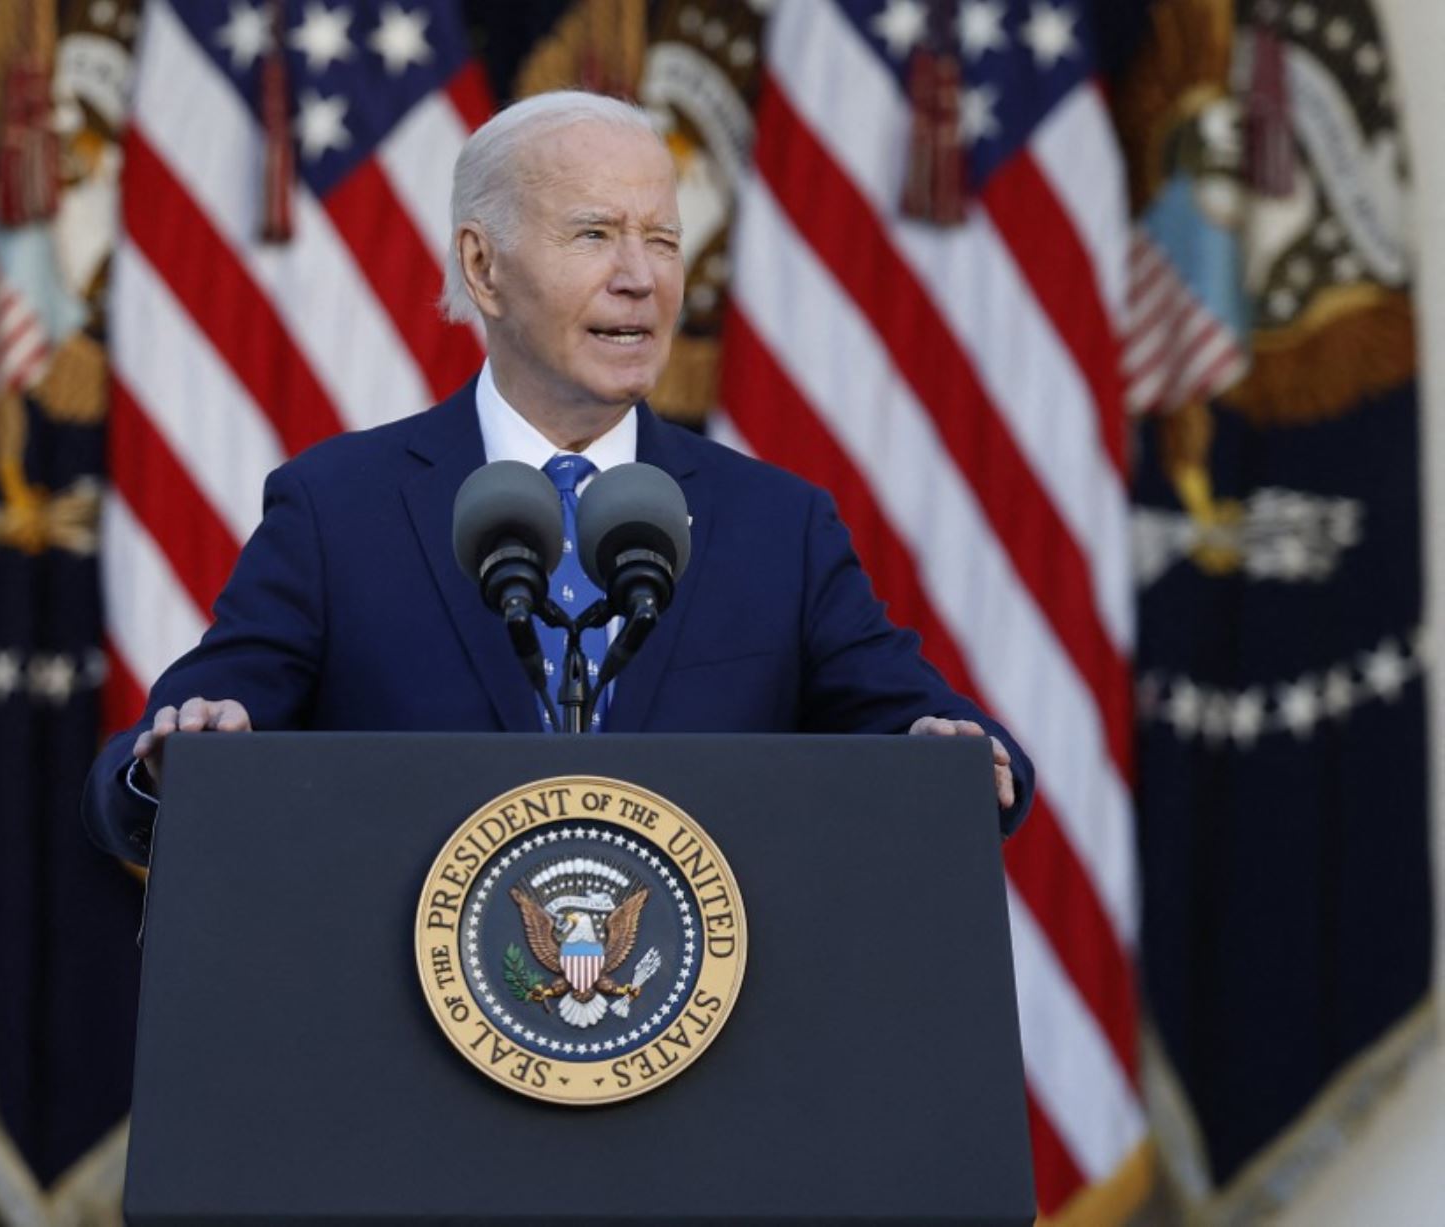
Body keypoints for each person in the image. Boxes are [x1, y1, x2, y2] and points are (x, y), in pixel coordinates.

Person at [83, 91, 1031, 865]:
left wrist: (956, 759)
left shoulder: (776, 526)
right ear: (484, 267)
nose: (642, 278)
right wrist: (179, 757)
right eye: (594, 235)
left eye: (662, 238)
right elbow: (162, 754)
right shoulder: (341, 509)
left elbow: (933, 732)